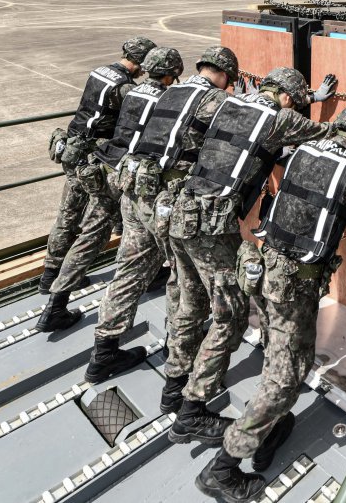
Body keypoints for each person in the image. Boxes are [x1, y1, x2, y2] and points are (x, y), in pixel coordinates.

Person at [194, 105, 346, 500]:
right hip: (294, 287)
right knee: (284, 377)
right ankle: (222, 467)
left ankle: (270, 431)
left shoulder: (303, 152)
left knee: (285, 356)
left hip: (270, 273)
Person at [163, 67, 340, 445]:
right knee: (230, 316)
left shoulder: (227, 102)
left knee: (190, 300)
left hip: (183, 211)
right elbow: (329, 137)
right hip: (211, 227)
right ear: (288, 98)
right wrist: (318, 104)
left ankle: (174, 387)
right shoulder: (278, 117)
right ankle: (191, 411)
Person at [84, 46, 239, 383]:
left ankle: (103, 353)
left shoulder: (167, 92)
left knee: (129, 269)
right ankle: (178, 352)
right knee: (181, 277)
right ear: (225, 76)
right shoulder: (215, 100)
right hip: (164, 202)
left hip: (133, 191)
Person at [37, 45, 182, 332]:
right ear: (169, 75)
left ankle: (55, 297)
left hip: (105, 165)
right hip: (127, 173)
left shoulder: (132, 90)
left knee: (92, 233)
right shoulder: (165, 99)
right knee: (148, 235)